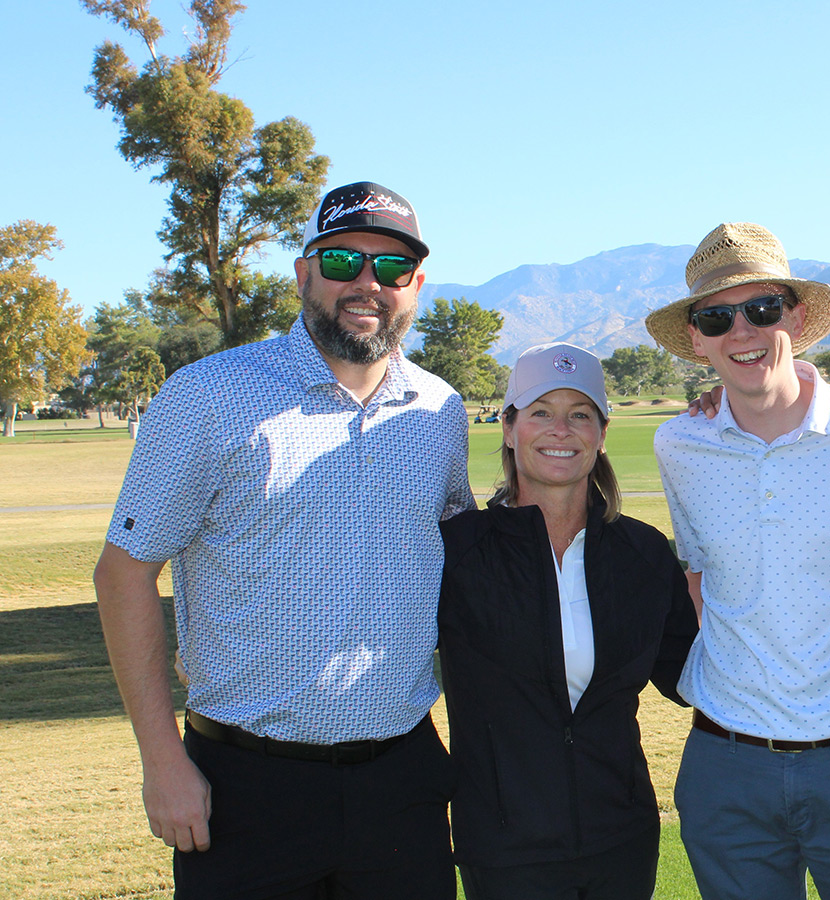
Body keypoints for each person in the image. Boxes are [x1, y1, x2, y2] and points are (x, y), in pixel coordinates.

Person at [92, 181, 473, 899]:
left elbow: (463, 548)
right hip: (245, 788)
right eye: (343, 263)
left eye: (391, 269)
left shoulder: (440, 409)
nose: (368, 284)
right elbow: (122, 575)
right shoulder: (208, 394)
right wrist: (162, 761)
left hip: (403, 784)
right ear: (304, 275)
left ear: (415, 286)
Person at [644, 223, 830, 900]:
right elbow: (697, 576)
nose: (741, 332)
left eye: (761, 309)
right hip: (725, 763)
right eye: (717, 318)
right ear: (697, 340)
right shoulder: (679, 446)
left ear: (796, 317)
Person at [437, 342, 699, 900]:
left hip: (620, 839)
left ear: (601, 434)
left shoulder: (642, 553)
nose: (561, 430)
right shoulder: (457, 552)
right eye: (540, 413)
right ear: (508, 428)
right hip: (504, 847)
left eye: (579, 414)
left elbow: (691, 677)